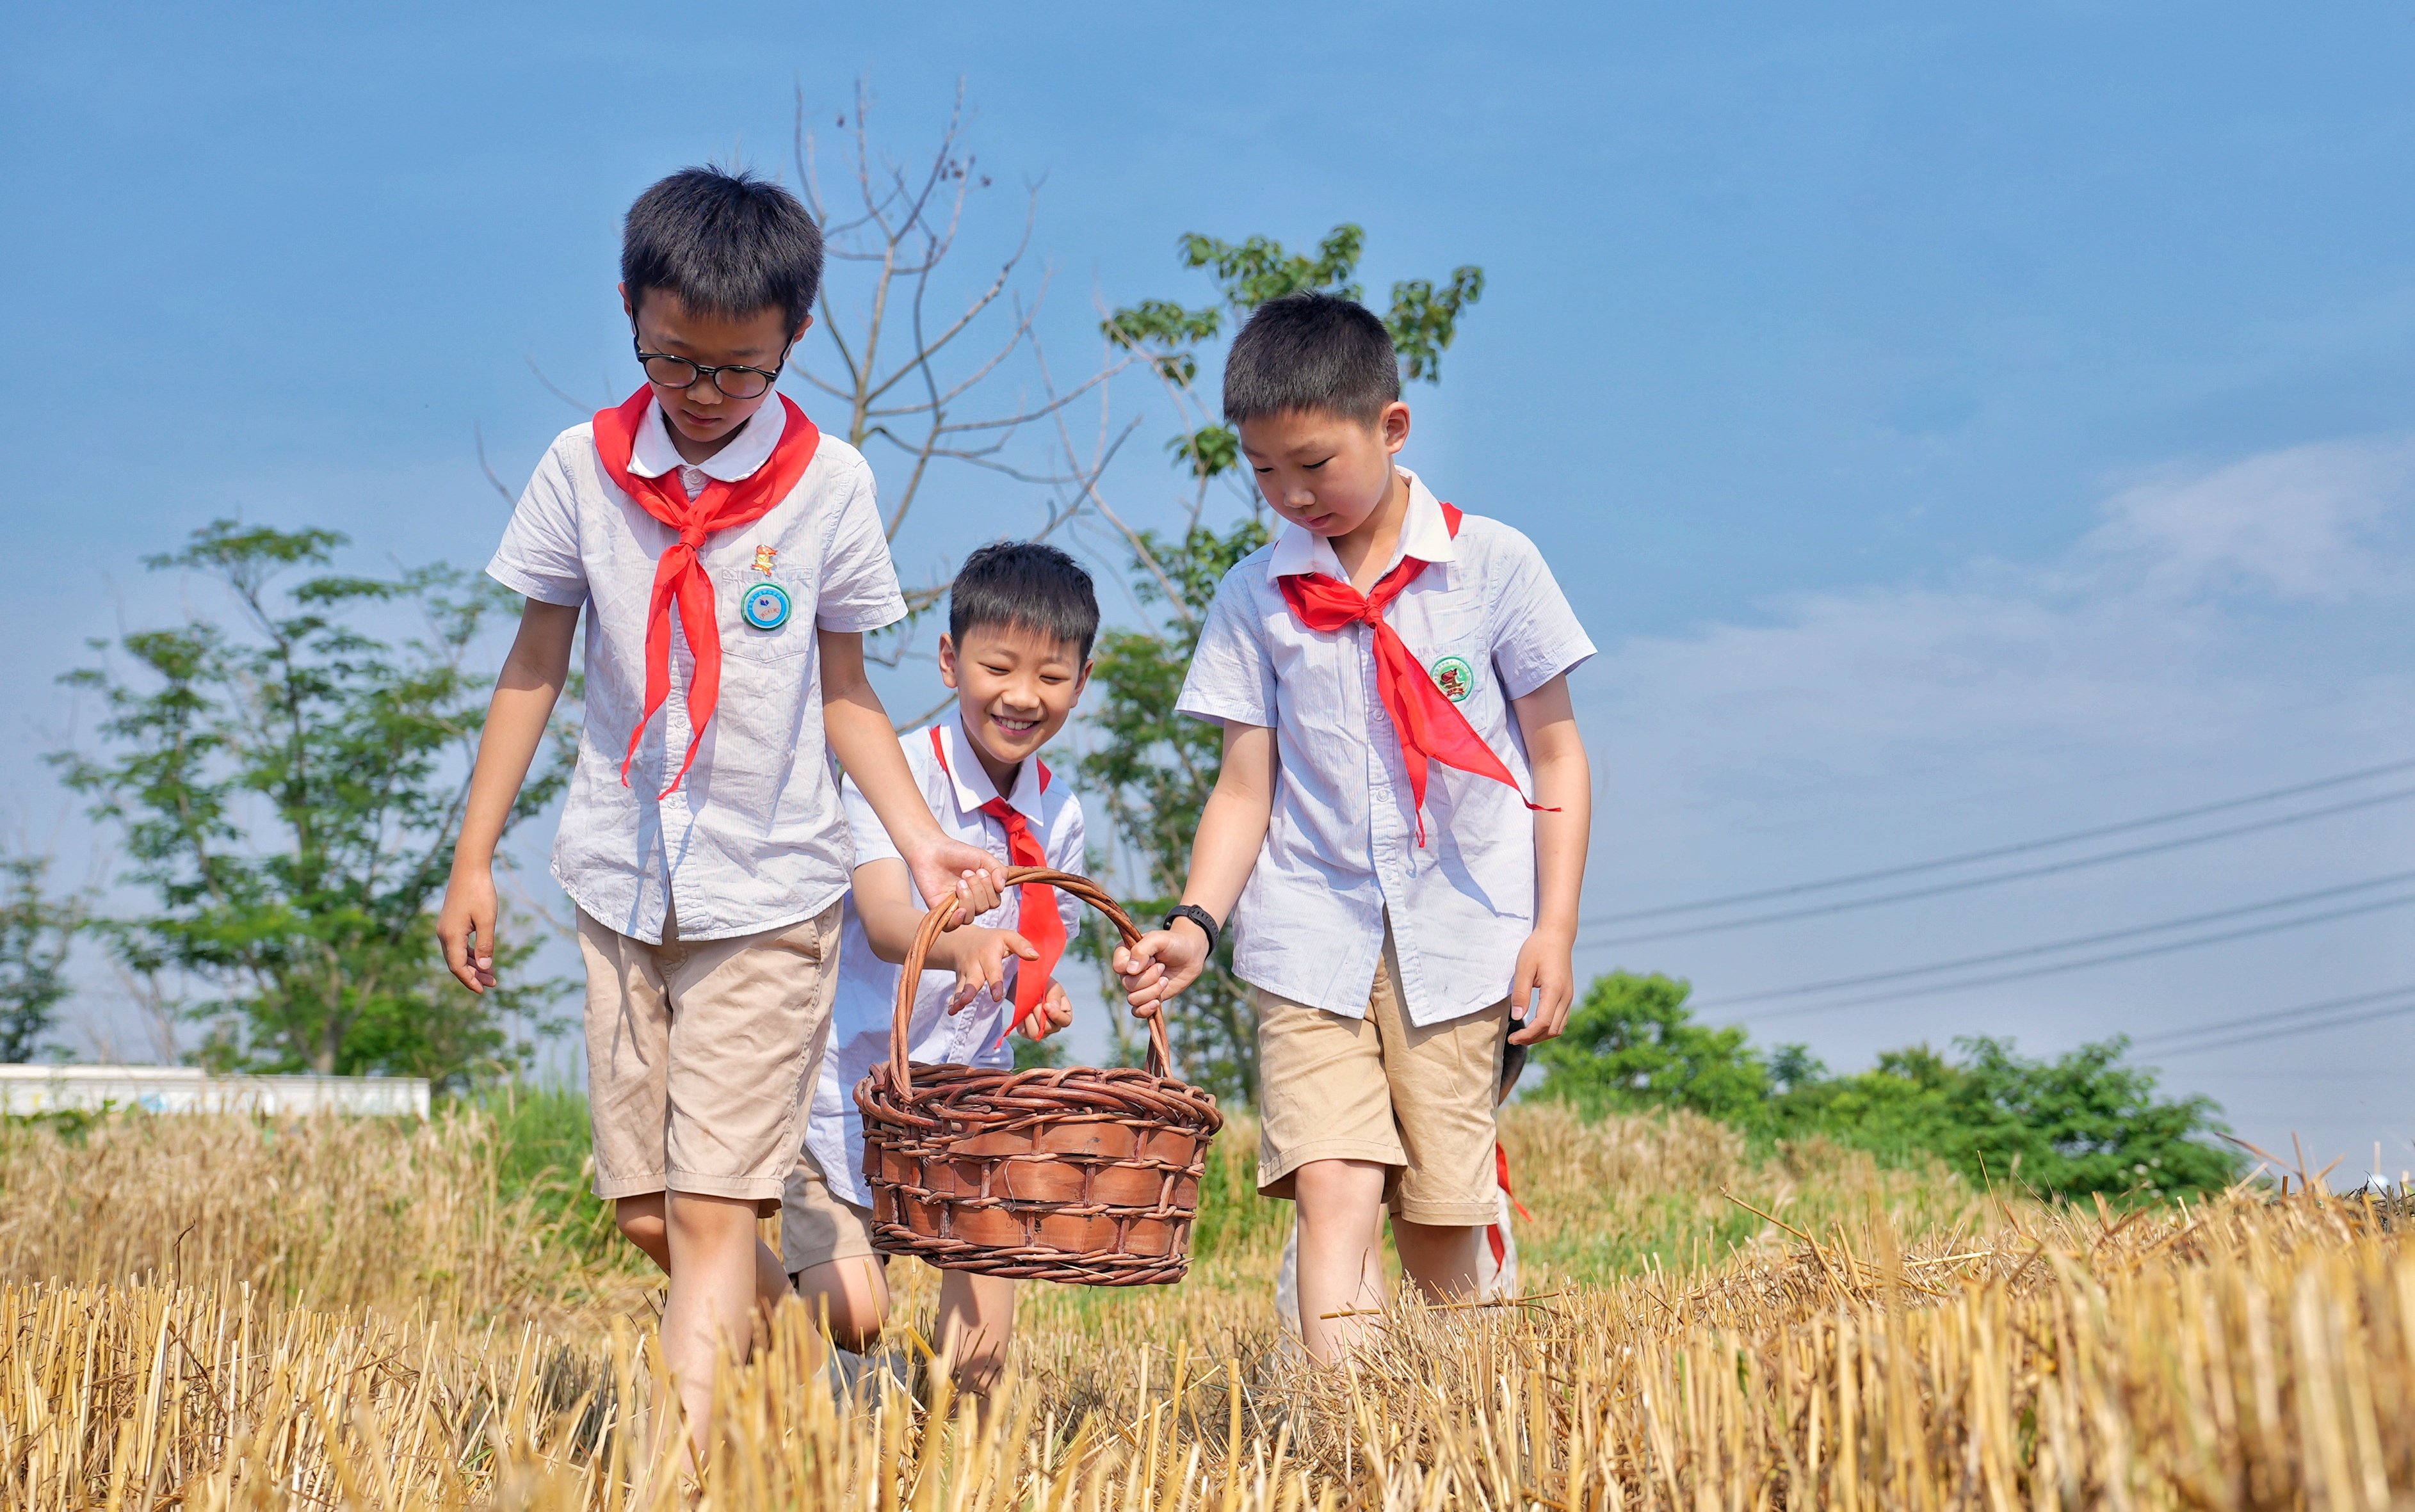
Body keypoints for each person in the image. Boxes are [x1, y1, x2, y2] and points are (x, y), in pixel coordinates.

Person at [434, 166, 1005, 1454]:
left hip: (769, 887)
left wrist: (919, 839)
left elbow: (846, 689)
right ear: (630, 310)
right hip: (617, 875)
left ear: (793, 340)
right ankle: (802, 1366)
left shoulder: (829, 486)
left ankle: (670, 1474)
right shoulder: (581, 468)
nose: (701, 394)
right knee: (649, 1209)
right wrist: (474, 858)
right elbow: (533, 666)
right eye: (673, 360)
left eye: (736, 372)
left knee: (708, 1215)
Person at [1111, 291, 1595, 1362]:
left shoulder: (1496, 567)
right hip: (1304, 934)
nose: (1292, 495)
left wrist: (1553, 927)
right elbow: (1246, 787)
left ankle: (1468, 1424)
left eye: (1314, 464)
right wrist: (1195, 920)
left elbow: (1557, 755)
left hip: (1462, 937)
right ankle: (1342, 1435)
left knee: (1441, 1215)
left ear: (1392, 427)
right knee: (1332, 1182)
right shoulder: (1255, 597)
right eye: (1265, 472)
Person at [787, 540, 1097, 1397]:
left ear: (1084, 675)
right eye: (999, 666)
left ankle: (952, 1463)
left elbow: (1040, 934)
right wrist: (960, 943)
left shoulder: (1060, 811)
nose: (1023, 696)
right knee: (857, 1310)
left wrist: (1038, 992)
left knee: (979, 1353)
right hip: (849, 1091)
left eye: (1053, 676)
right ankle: (752, 1323)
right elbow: (888, 921)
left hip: (968, 1097)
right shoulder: (899, 776)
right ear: (951, 659)